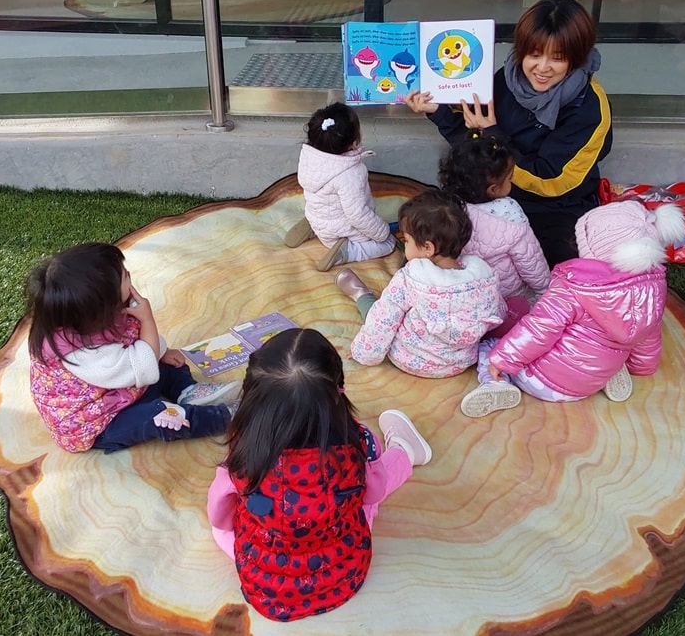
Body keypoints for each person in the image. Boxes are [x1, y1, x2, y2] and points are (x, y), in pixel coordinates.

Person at [206, 327, 431, 622]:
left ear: (252, 397)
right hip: (344, 575)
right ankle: (405, 451)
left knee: (221, 529)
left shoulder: (243, 454)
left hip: (266, 588)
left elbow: (218, 516)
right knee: (368, 493)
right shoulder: (358, 443)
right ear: (337, 392)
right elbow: (374, 493)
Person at [406, 0, 613, 268]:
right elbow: (474, 149)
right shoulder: (507, 78)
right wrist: (437, 110)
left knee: (560, 265)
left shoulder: (589, 108)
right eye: (534, 54)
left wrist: (493, 135)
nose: (542, 67)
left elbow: (550, 180)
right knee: (432, 239)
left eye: (558, 58)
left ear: (577, 57)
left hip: (553, 207)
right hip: (490, 192)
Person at [459, 200, 685, 418]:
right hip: (594, 379)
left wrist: (503, 360)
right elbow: (649, 336)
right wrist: (642, 367)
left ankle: (495, 384)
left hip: (546, 381)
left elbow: (538, 329)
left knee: (490, 345)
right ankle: (611, 373)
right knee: (600, 344)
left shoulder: (574, 286)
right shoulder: (653, 289)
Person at [26, 243, 240, 453]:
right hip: (102, 421)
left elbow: (132, 339)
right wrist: (148, 320)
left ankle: (188, 391)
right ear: (102, 304)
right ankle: (224, 417)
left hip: (117, 385)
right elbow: (143, 366)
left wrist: (162, 351)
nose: (129, 274)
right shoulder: (83, 354)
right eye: (124, 276)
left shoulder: (91, 318)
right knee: (161, 417)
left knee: (168, 365)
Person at [336, 188, 507, 378]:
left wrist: (363, 353)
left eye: (407, 241)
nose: (405, 246)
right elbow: (497, 313)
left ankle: (361, 295)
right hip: (460, 363)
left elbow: (383, 319)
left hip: (408, 358)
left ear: (428, 248)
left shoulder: (410, 278)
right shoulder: (484, 280)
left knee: (378, 310)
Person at [437, 127, 550, 303]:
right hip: (509, 297)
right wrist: (544, 290)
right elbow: (530, 259)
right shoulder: (510, 212)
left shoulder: (444, 209)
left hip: (467, 297)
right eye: (509, 179)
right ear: (494, 189)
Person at [284, 101, 397, 272]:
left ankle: (313, 226)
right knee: (387, 243)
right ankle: (347, 252)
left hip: (318, 218)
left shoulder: (309, 156)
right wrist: (382, 231)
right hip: (340, 235)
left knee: (325, 204)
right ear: (354, 142)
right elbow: (357, 214)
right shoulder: (351, 173)